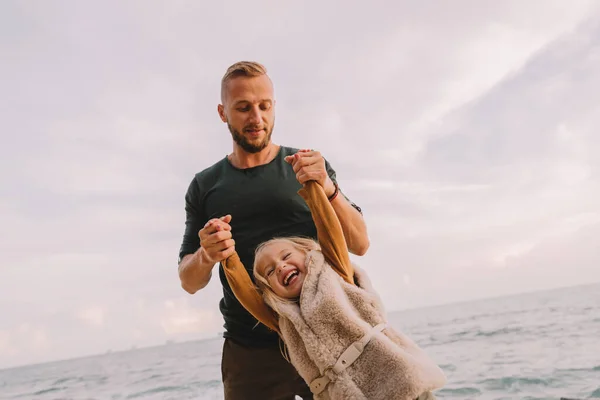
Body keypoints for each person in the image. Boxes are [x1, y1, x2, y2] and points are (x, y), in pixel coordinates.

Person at [177, 61, 369, 399]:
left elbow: (359, 243)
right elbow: (189, 281)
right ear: (223, 113)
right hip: (251, 349)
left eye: (264, 106)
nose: (256, 118)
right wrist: (207, 254)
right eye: (243, 107)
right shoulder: (205, 185)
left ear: (274, 106)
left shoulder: (306, 165)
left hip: (330, 333)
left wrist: (327, 186)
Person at [252, 230, 447, 399]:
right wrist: (228, 258)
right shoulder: (286, 320)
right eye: (270, 271)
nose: (280, 266)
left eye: (286, 256)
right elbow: (247, 295)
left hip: (400, 383)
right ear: (270, 290)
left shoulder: (335, 273)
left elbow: (331, 233)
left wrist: (316, 189)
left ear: (306, 253)